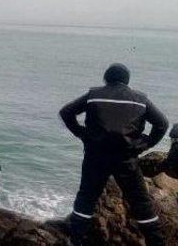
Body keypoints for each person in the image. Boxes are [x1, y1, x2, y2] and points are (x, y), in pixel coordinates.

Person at [59, 63, 168, 246]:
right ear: (127, 81)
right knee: (141, 202)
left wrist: (82, 134)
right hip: (126, 158)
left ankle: (76, 240)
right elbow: (162, 124)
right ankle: (155, 241)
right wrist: (144, 145)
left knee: (86, 198)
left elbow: (66, 112)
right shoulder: (140, 99)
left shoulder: (94, 95)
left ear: (106, 78)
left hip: (96, 157)